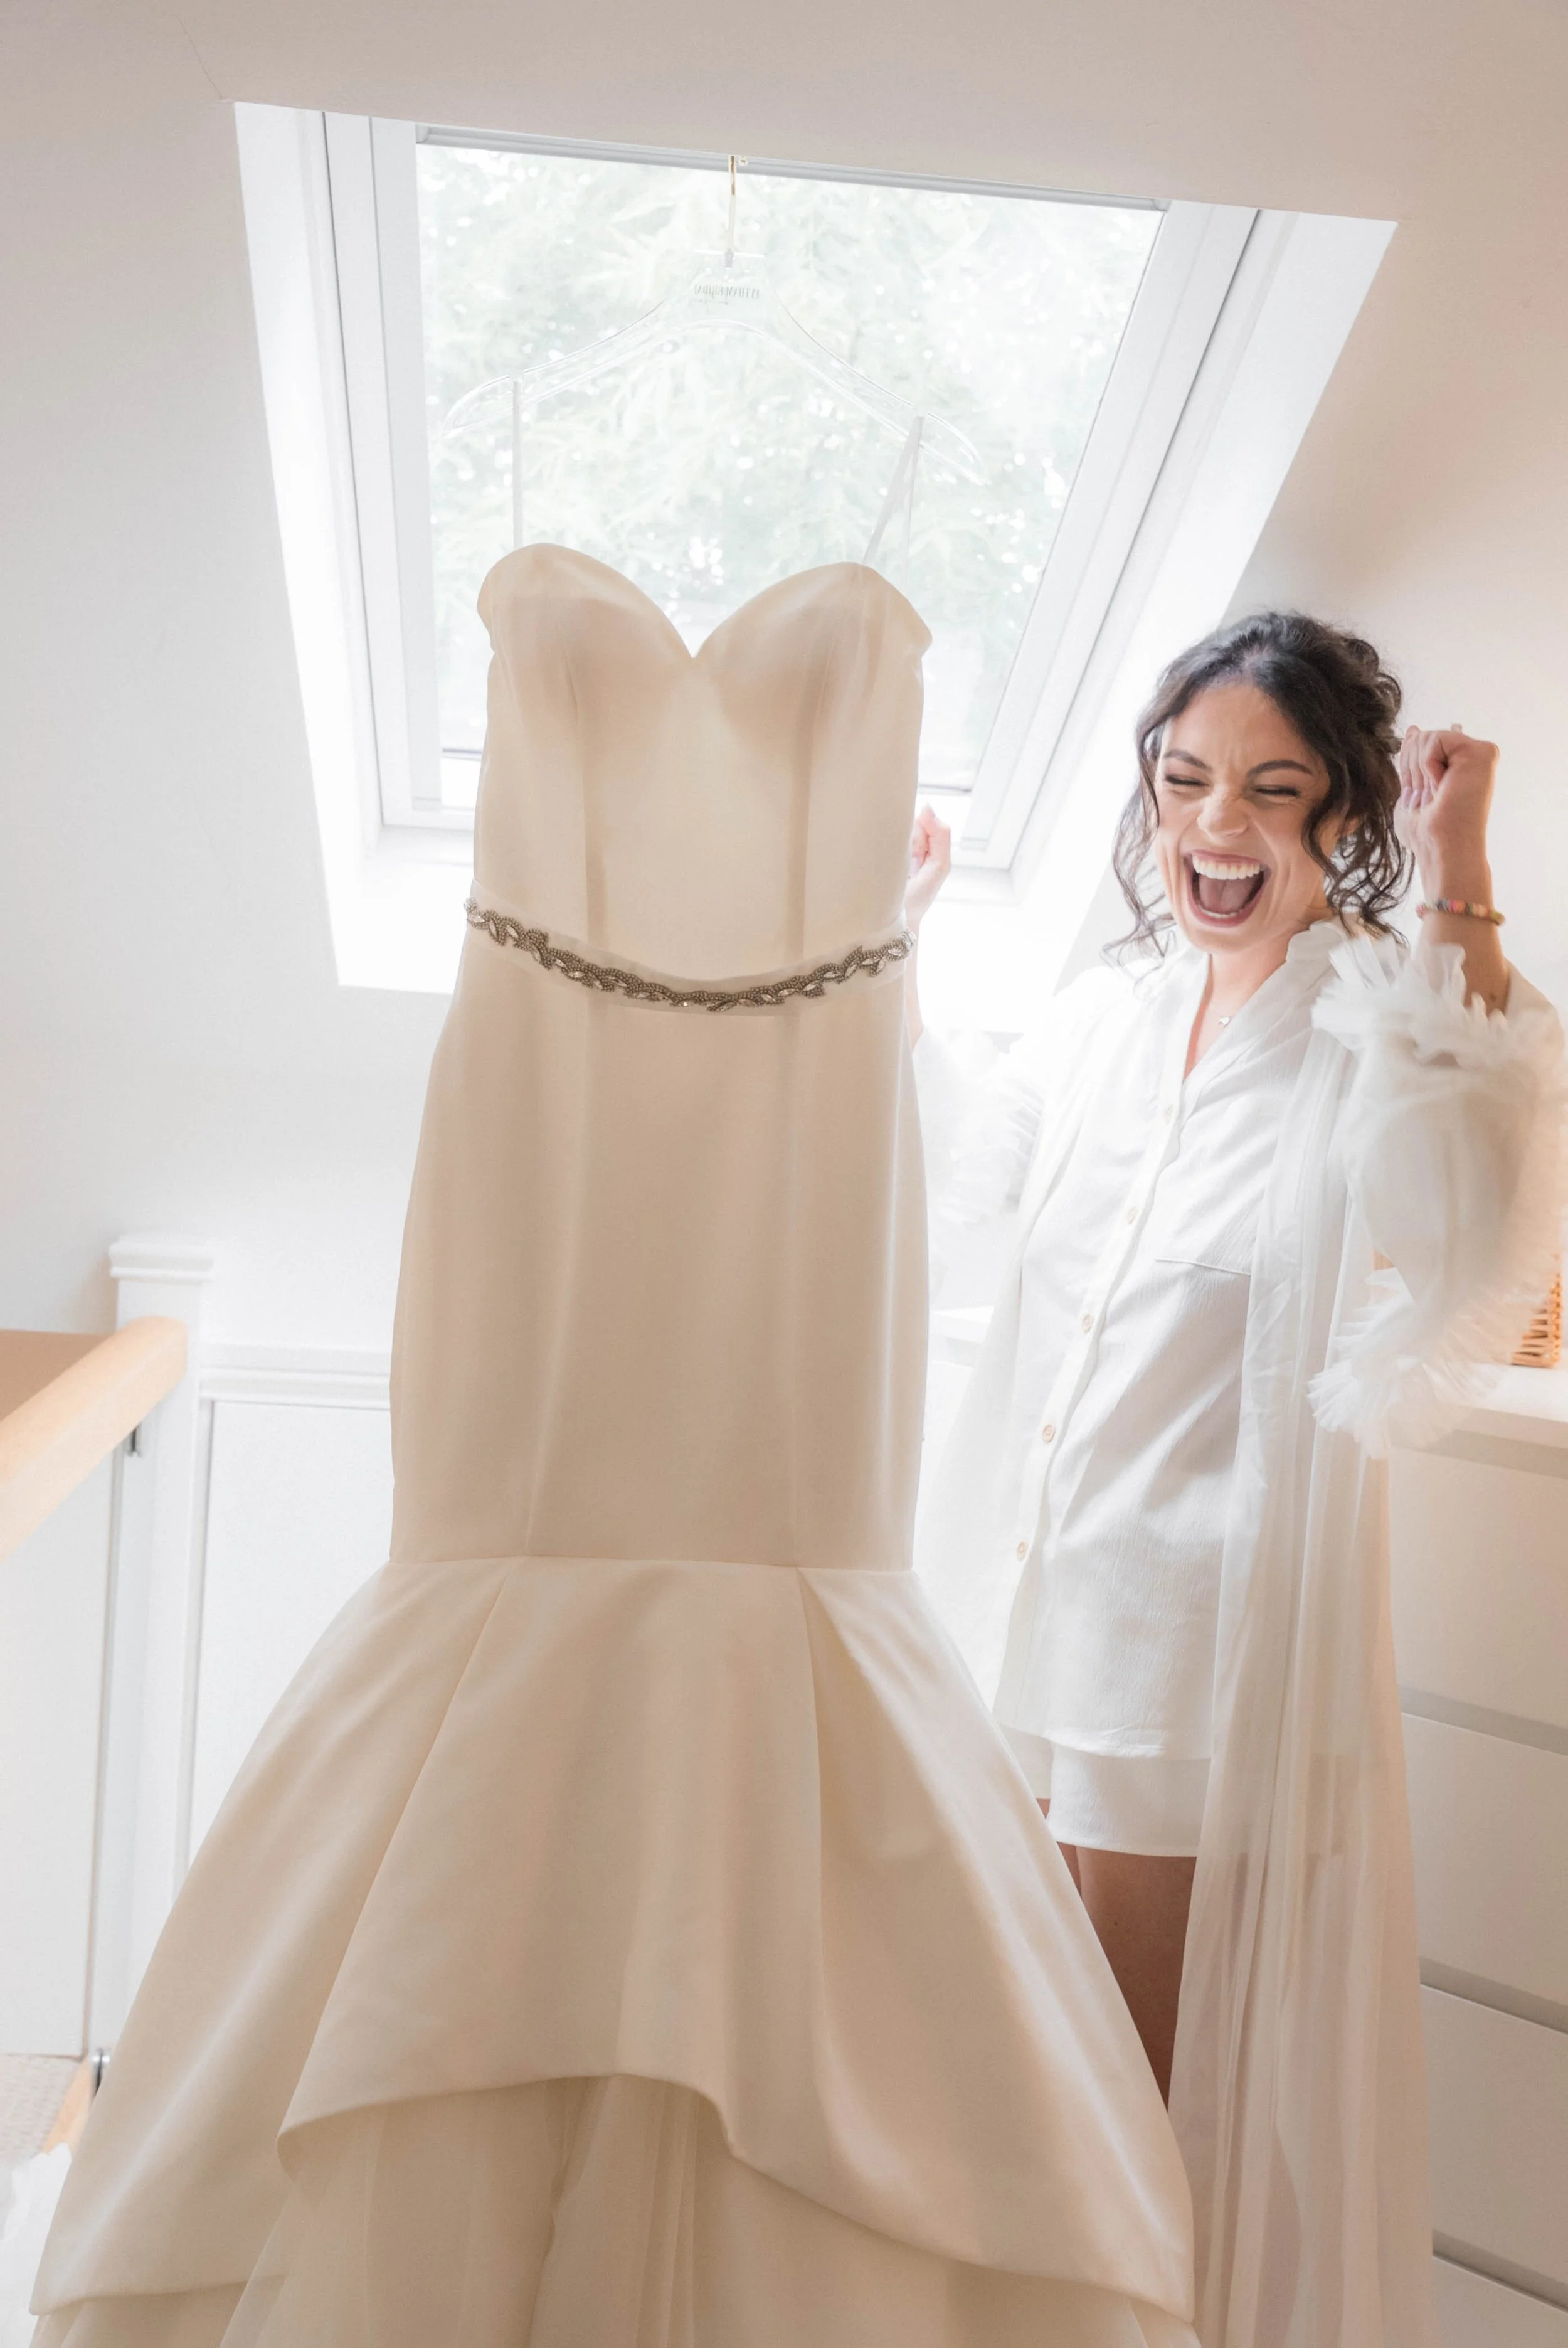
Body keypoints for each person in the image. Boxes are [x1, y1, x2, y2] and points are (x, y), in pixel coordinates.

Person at [904, 610, 1563, 2348]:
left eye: (1273, 794)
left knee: (1125, 2121)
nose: (1216, 828)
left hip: (1179, 1678)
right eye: (1186, 779)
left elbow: (1464, 1219)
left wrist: (1459, 877)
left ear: (1343, 817)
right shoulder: (1105, 1020)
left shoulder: (1371, 1024)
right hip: (1013, 1635)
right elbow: (944, 1206)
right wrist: (876, 940)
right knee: (993, 2106)